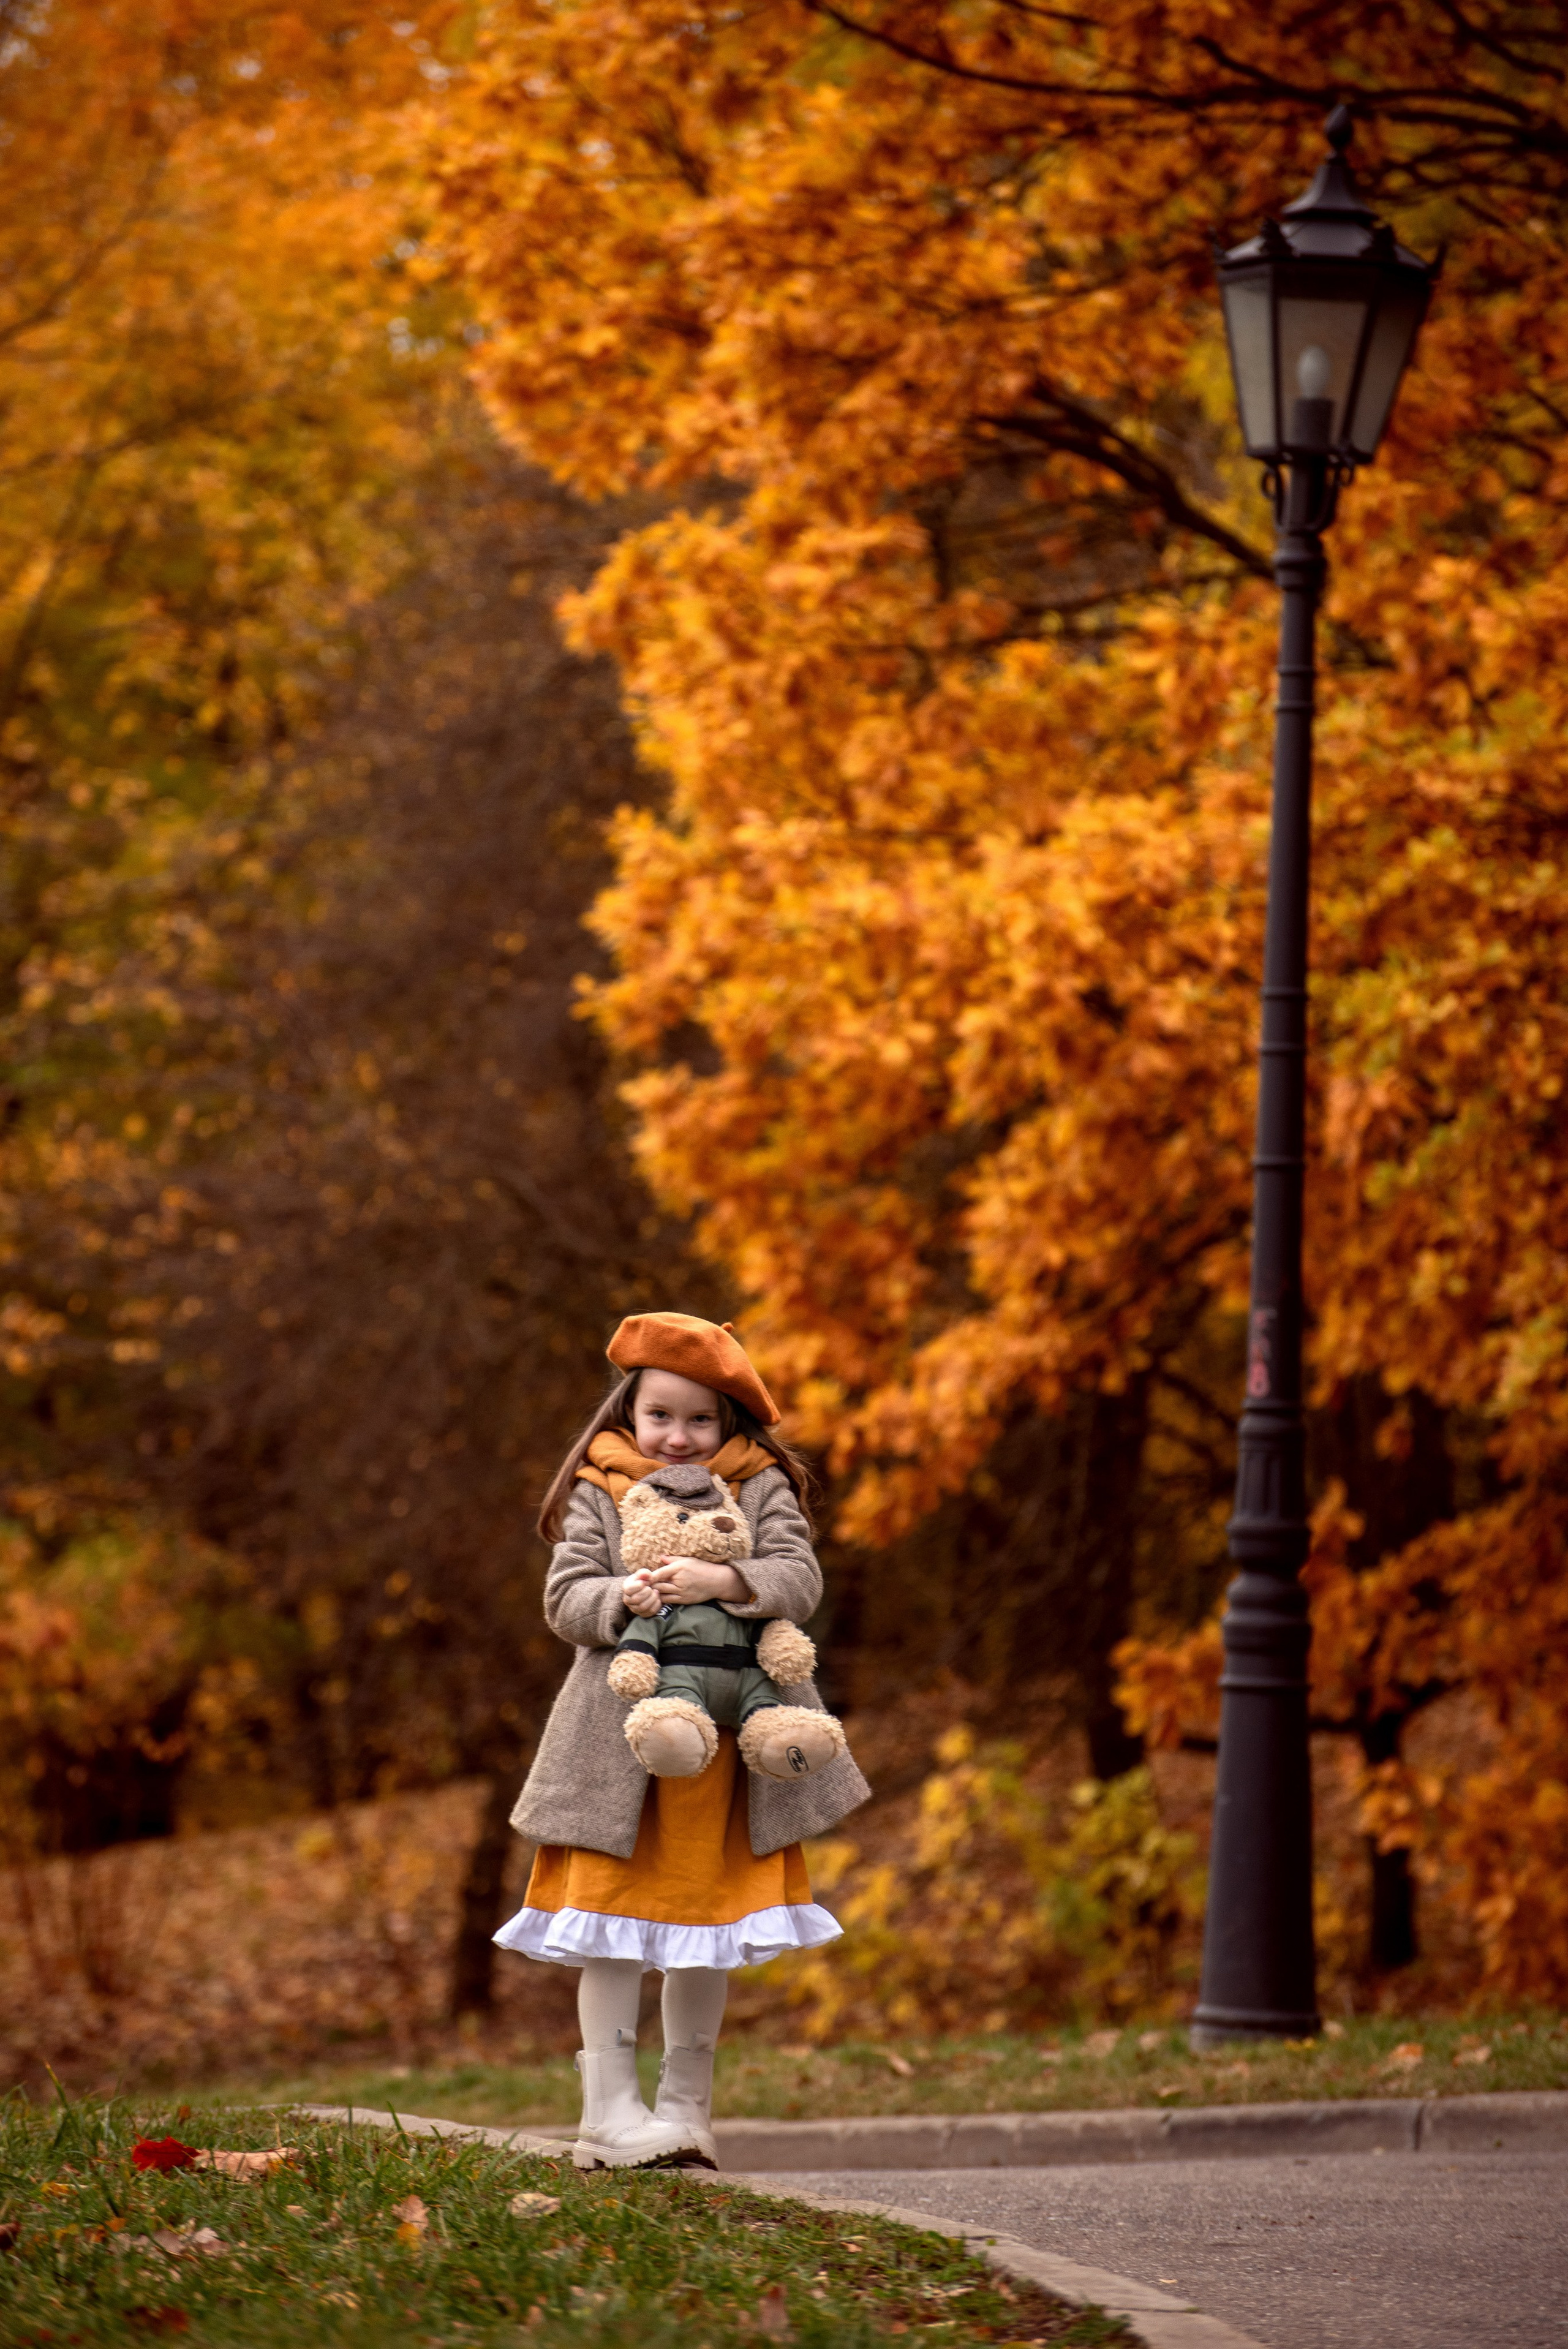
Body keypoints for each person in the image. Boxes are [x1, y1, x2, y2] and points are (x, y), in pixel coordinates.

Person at [494, 1310, 871, 2170]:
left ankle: (687, 2110)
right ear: (629, 1411)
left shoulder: (761, 1482)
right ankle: (609, 2113)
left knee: (710, 1922)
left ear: (729, 1421)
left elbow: (799, 1581)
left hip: (730, 1748)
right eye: (661, 1414)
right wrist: (626, 1596)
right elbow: (567, 1600)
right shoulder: (601, 1485)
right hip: (625, 1749)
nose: (679, 1436)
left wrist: (726, 1578)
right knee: (617, 1923)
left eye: (701, 1419)